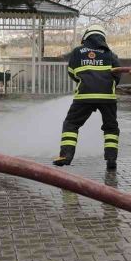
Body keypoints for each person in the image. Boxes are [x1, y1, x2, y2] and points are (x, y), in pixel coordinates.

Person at [53, 24, 121, 170]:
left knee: (71, 124)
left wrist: (85, 82)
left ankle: (66, 156)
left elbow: (72, 72)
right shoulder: (110, 53)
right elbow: (118, 75)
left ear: (86, 37)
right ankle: (111, 160)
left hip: (84, 96)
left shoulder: (78, 51)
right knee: (111, 127)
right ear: (103, 38)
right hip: (107, 97)